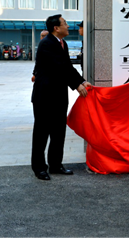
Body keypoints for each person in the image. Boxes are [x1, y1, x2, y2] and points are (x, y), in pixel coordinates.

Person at [31, 14, 92, 180]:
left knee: (58, 132)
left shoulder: (61, 43)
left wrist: (82, 81)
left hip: (58, 96)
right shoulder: (47, 44)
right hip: (44, 96)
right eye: (65, 24)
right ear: (56, 28)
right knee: (41, 133)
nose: (68, 26)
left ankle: (56, 165)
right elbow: (59, 68)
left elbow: (67, 67)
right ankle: (39, 168)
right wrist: (77, 85)